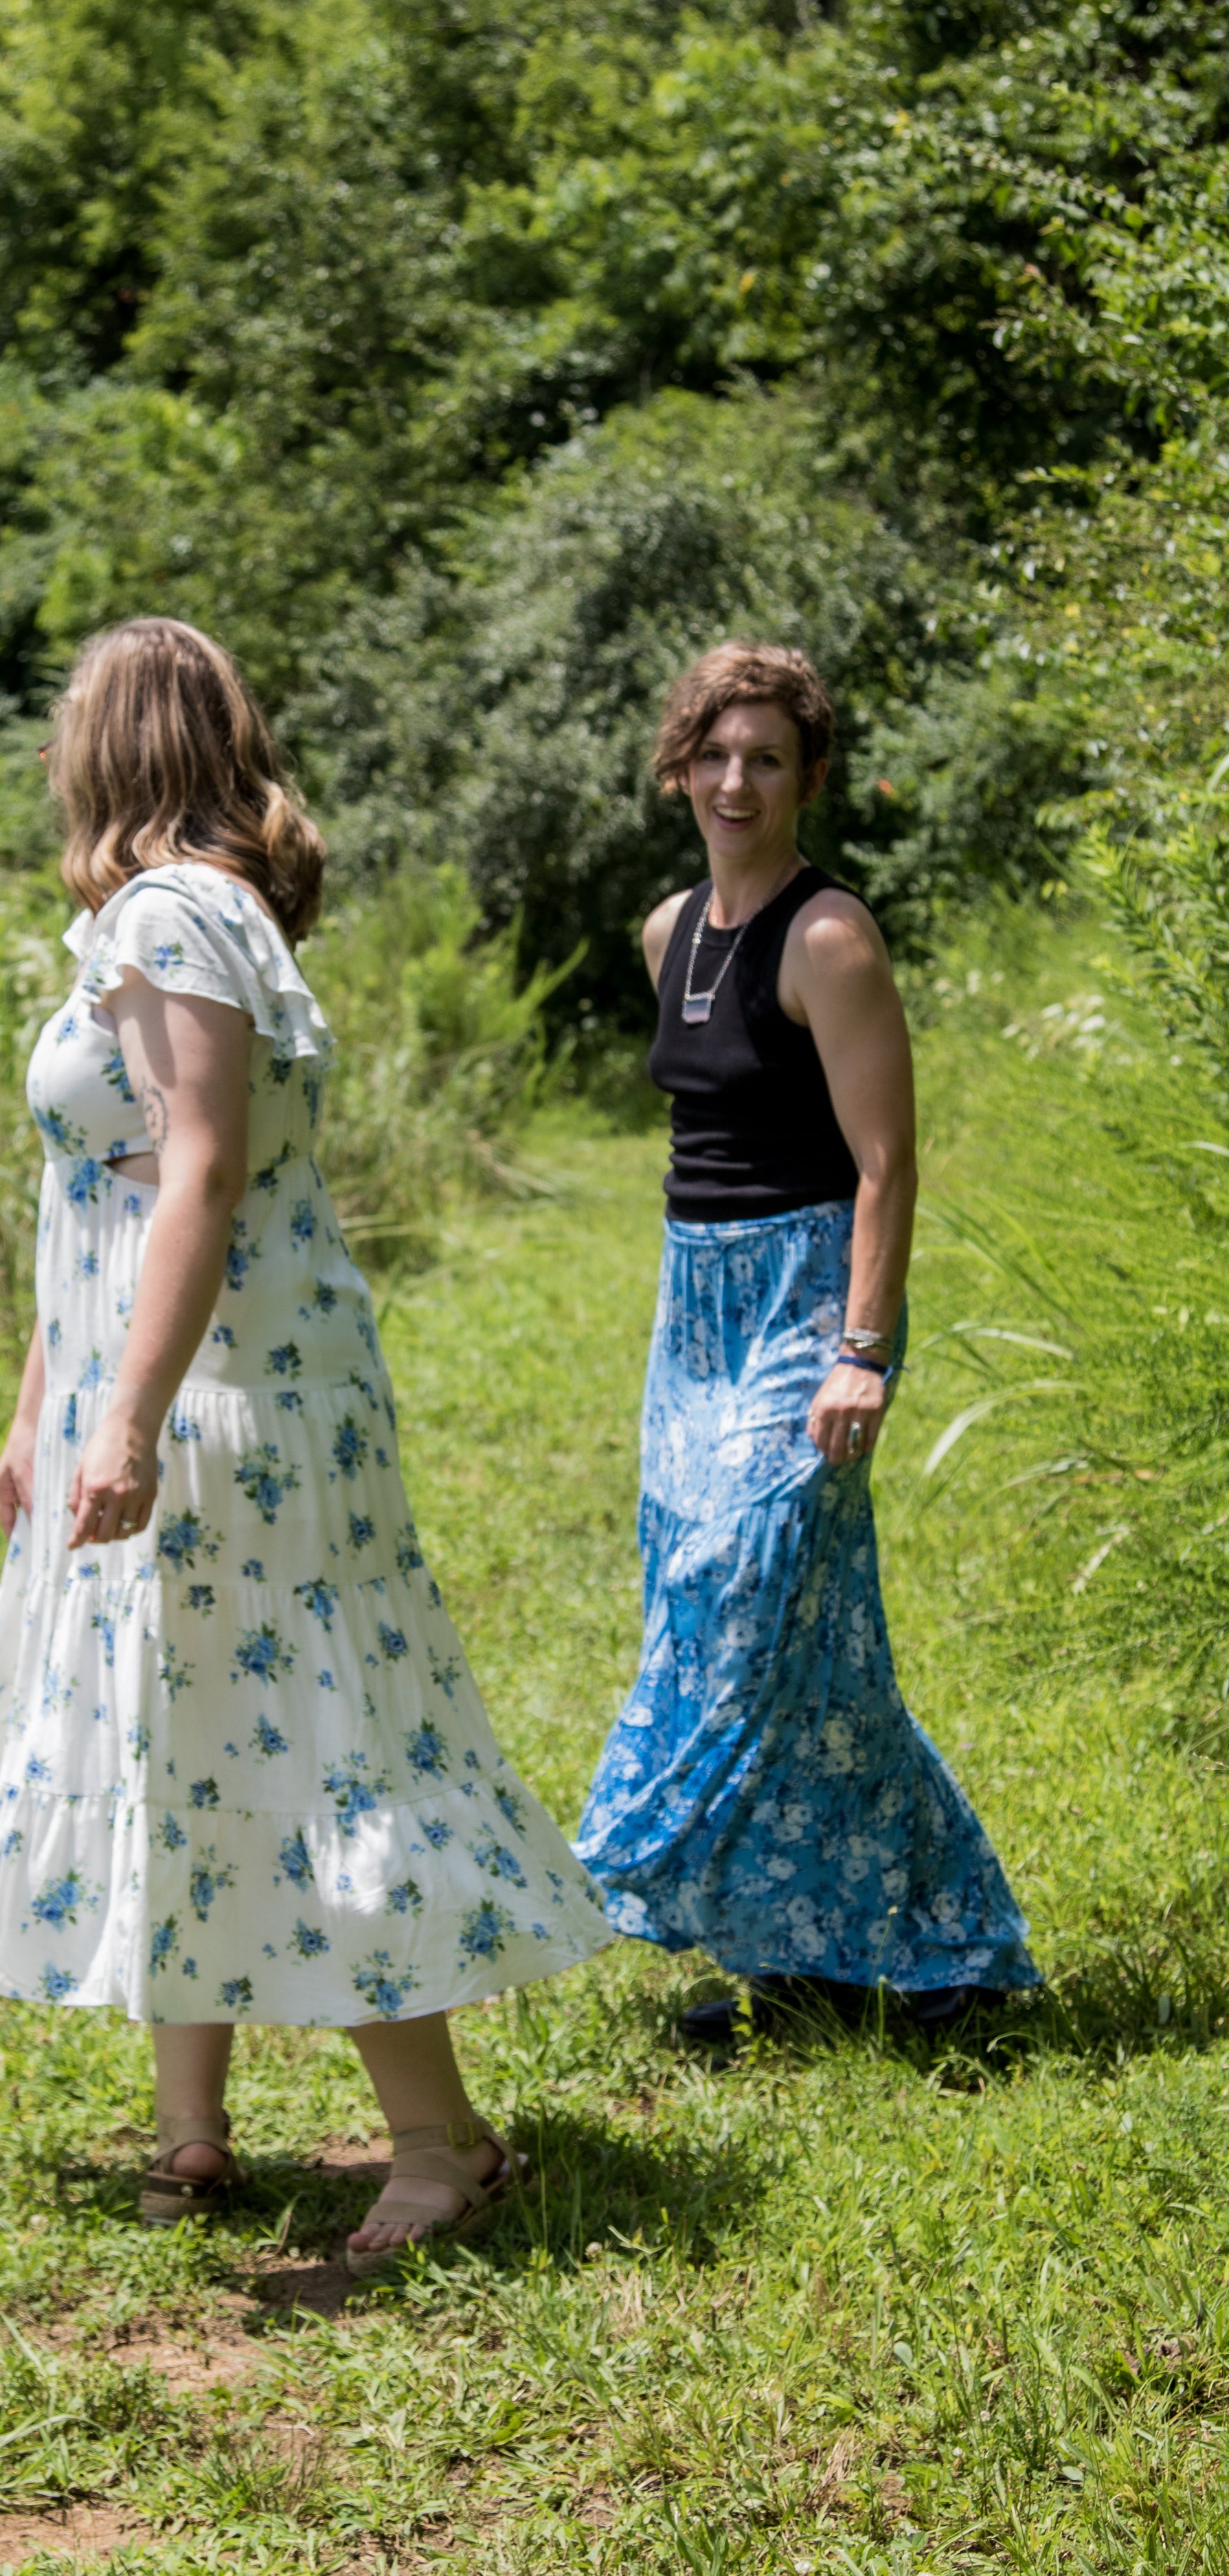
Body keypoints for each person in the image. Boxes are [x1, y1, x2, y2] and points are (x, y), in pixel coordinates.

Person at [0, 617, 609, 2267]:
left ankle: (440, 2141)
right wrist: (39, 1408)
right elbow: (102, 1195)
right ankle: (189, 2126)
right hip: (179, 1384)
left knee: (293, 1730)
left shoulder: (170, 916)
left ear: (109, 747)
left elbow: (200, 1171)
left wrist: (126, 1415)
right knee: (176, 1720)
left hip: (229, 1402)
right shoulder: (172, 920)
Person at [573, 641, 1039, 2043]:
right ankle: (826, 1971)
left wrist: (862, 1351)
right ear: (677, 766)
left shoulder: (827, 936)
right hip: (690, 1310)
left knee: (737, 1596)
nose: (734, 780)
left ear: (806, 777)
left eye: (765, 757)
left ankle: (632, 1851)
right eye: (713, 754)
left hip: (800, 1306)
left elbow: (885, 1164)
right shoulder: (667, 932)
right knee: (803, 1649)